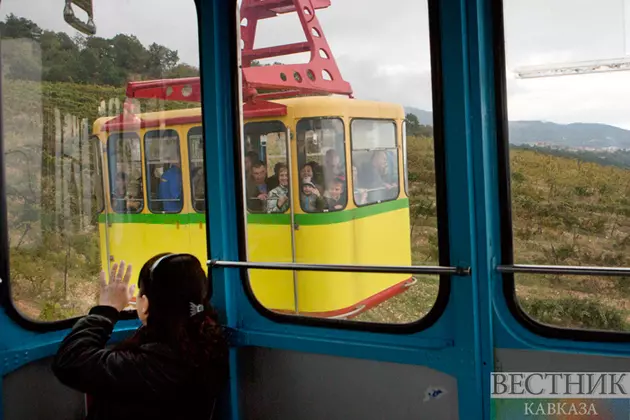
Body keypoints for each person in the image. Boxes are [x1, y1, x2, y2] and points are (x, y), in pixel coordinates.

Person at [52, 255, 229, 420]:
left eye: (140, 294)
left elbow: (70, 361)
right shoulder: (208, 339)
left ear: (145, 304)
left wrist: (107, 309)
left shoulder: (152, 365)